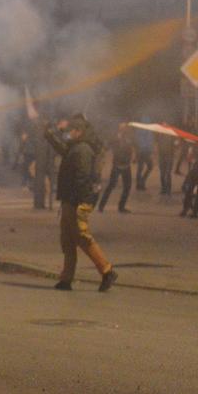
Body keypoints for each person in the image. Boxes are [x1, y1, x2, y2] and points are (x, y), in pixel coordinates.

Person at [43, 116, 118, 292]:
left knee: (82, 237)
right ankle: (66, 279)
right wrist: (50, 133)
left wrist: (83, 204)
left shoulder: (83, 150)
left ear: (79, 132)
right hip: (69, 200)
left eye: (71, 130)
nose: (68, 133)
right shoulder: (76, 147)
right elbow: (62, 148)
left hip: (76, 201)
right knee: (68, 240)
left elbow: (83, 179)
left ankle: (107, 271)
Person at [98, 123, 135, 213]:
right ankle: (101, 206)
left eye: (124, 126)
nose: (123, 127)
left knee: (127, 186)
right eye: (121, 126)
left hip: (126, 165)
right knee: (111, 186)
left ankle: (121, 207)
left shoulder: (129, 137)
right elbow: (107, 147)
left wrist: (133, 156)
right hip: (117, 165)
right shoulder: (115, 137)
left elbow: (132, 147)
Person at [135, 117, 155, 191]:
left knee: (140, 168)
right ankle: (142, 182)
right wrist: (150, 150)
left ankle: (139, 184)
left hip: (141, 151)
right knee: (150, 166)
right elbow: (149, 141)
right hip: (145, 151)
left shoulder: (138, 130)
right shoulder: (148, 130)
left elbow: (137, 140)